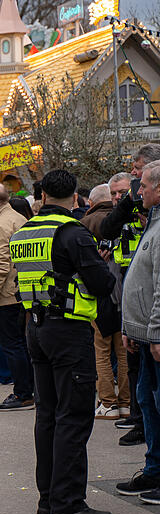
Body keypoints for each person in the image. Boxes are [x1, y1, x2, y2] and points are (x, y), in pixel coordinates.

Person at [10, 169, 115, 514]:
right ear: (75, 198)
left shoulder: (25, 232)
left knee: (48, 414)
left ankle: (48, 498)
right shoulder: (71, 232)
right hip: (68, 330)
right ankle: (68, 502)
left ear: (41, 197)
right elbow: (100, 283)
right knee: (73, 415)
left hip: (35, 327)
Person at [97, 160, 158, 445]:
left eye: (126, 190)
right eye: (114, 194)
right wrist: (125, 206)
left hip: (149, 301)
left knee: (141, 373)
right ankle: (138, 418)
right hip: (127, 294)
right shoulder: (129, 208)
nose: (121, 196)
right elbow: (107, 230)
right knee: (137, 370)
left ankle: (142, 422)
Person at [116, 159, 160, 505]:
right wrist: (133, 328)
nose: (138, 191)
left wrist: (156, 333)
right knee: (146, 398)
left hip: (155, 336)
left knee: (156, 400)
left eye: (143, 185)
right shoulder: (152, 222)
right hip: (144, 333)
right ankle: (154, 468)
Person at [0, 182, 34, 410]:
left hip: (6, 296)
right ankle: (28, 390)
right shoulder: (18, 219)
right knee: (20, 344)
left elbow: (1, 265)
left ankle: (23, 393)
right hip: (21, 291)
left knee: (12, 345)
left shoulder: (1, 226)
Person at [80, 183, 130, 420]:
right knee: (123, 352)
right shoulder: (123, 217)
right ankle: (126, 403)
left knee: (101, 350)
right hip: (123, 292)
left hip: (98, 295)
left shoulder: (86, 223)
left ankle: (108, 403)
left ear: (91, 202)